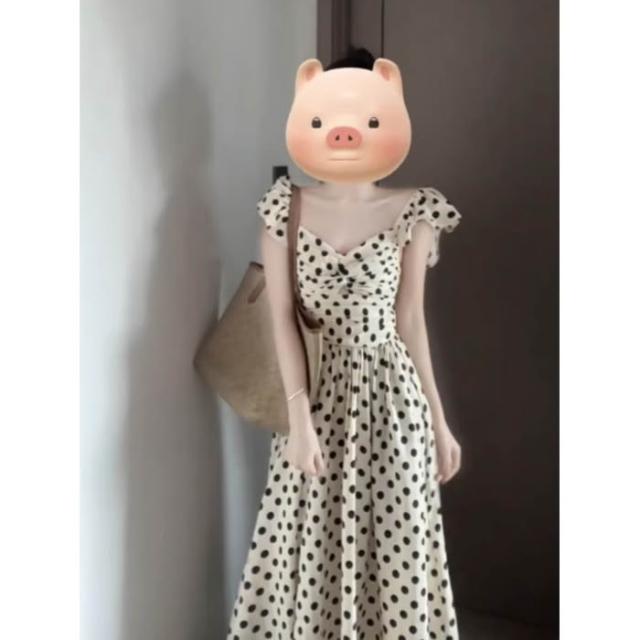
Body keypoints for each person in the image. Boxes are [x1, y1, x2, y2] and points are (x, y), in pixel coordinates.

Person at [226, 48, 462, 640]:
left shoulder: (415, 210)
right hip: (316, 398)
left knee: (397, 545)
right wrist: (298, 421)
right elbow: (281, 317)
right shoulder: (285, 208)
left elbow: (410, 320)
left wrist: (438, 422)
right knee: (311, 544)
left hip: (393, 402)